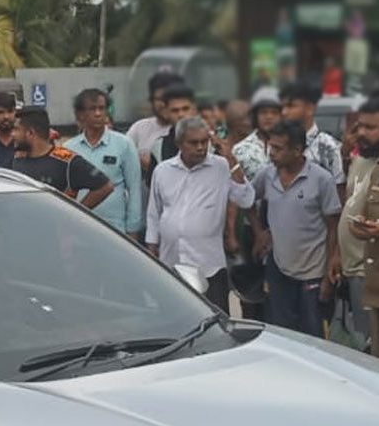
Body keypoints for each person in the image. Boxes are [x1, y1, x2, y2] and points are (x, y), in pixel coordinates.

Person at [146, 117, 254, 312]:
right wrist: (152, 248)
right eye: (194, 142)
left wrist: (232, 160)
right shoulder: (163, 170)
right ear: (179, 143)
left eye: (204, 142)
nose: (200, 147)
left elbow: (246, 199)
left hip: (209, 266)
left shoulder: (221, 167)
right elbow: (154, 213)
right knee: (174, 317)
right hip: (171, 263)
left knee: (214, 318)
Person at [251, 120, 341, 338]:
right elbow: (246, 200)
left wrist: (331, 267)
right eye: (270, 146)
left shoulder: (321, 180)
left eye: (278, 148)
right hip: (279, 270)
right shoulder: (267, 175)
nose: (271, 153)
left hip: (313, 272)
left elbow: (333, 226)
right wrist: (259, 232)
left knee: (313, 336)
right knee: (283, 335)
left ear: (298, 150)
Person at [226, 89, 283, 320]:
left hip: (285, 229)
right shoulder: (241, 150)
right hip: (252, 228)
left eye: (273, 112)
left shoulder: (294, 143)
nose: (268, 117)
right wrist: (233, 233)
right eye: (263, 112)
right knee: (250, 292)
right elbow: (235, 194)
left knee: (278, 295)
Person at [64, 88, 143, 240]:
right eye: (92, 109)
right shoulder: (68, 148)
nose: (98, 113)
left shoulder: (124, 144)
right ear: (80, 114)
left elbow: (134, 189)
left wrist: (133, 230)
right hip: (79, 229)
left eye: (102, 108)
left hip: (115, 231)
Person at [11, 105, 113, 208]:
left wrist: (75, 212)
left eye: (16, 129)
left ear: (30, 133)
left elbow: (105, 186)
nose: (12, 134)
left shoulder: (67, 160)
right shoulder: (17, 159)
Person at [339, 98, 379, 352]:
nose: (361, 133)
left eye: (370, 127)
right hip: (356, 271)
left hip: (370, 272)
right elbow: (351, 208)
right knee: (366, 350)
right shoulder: (362, 161)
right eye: (359, 126)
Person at [280, 80, 345, 197]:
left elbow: (338, 191)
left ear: (310, 108)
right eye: (282, 107)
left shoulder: (328, 146)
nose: (284, 112)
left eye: (291, 106)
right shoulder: (277, 144)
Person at [127, 72, 184, 171]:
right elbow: (123, 154)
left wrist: (152, 165)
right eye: (161, 99)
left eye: (170, 98)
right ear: (152, 101)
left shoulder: (188, 129)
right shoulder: (139, 128)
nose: (165, 104)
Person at [150, 84, 200, 163]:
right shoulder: (159, 146)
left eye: (185, 109)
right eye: (175, 110)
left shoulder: (210, 143)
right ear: (166, 113)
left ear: (195, 109)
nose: (181, 115)